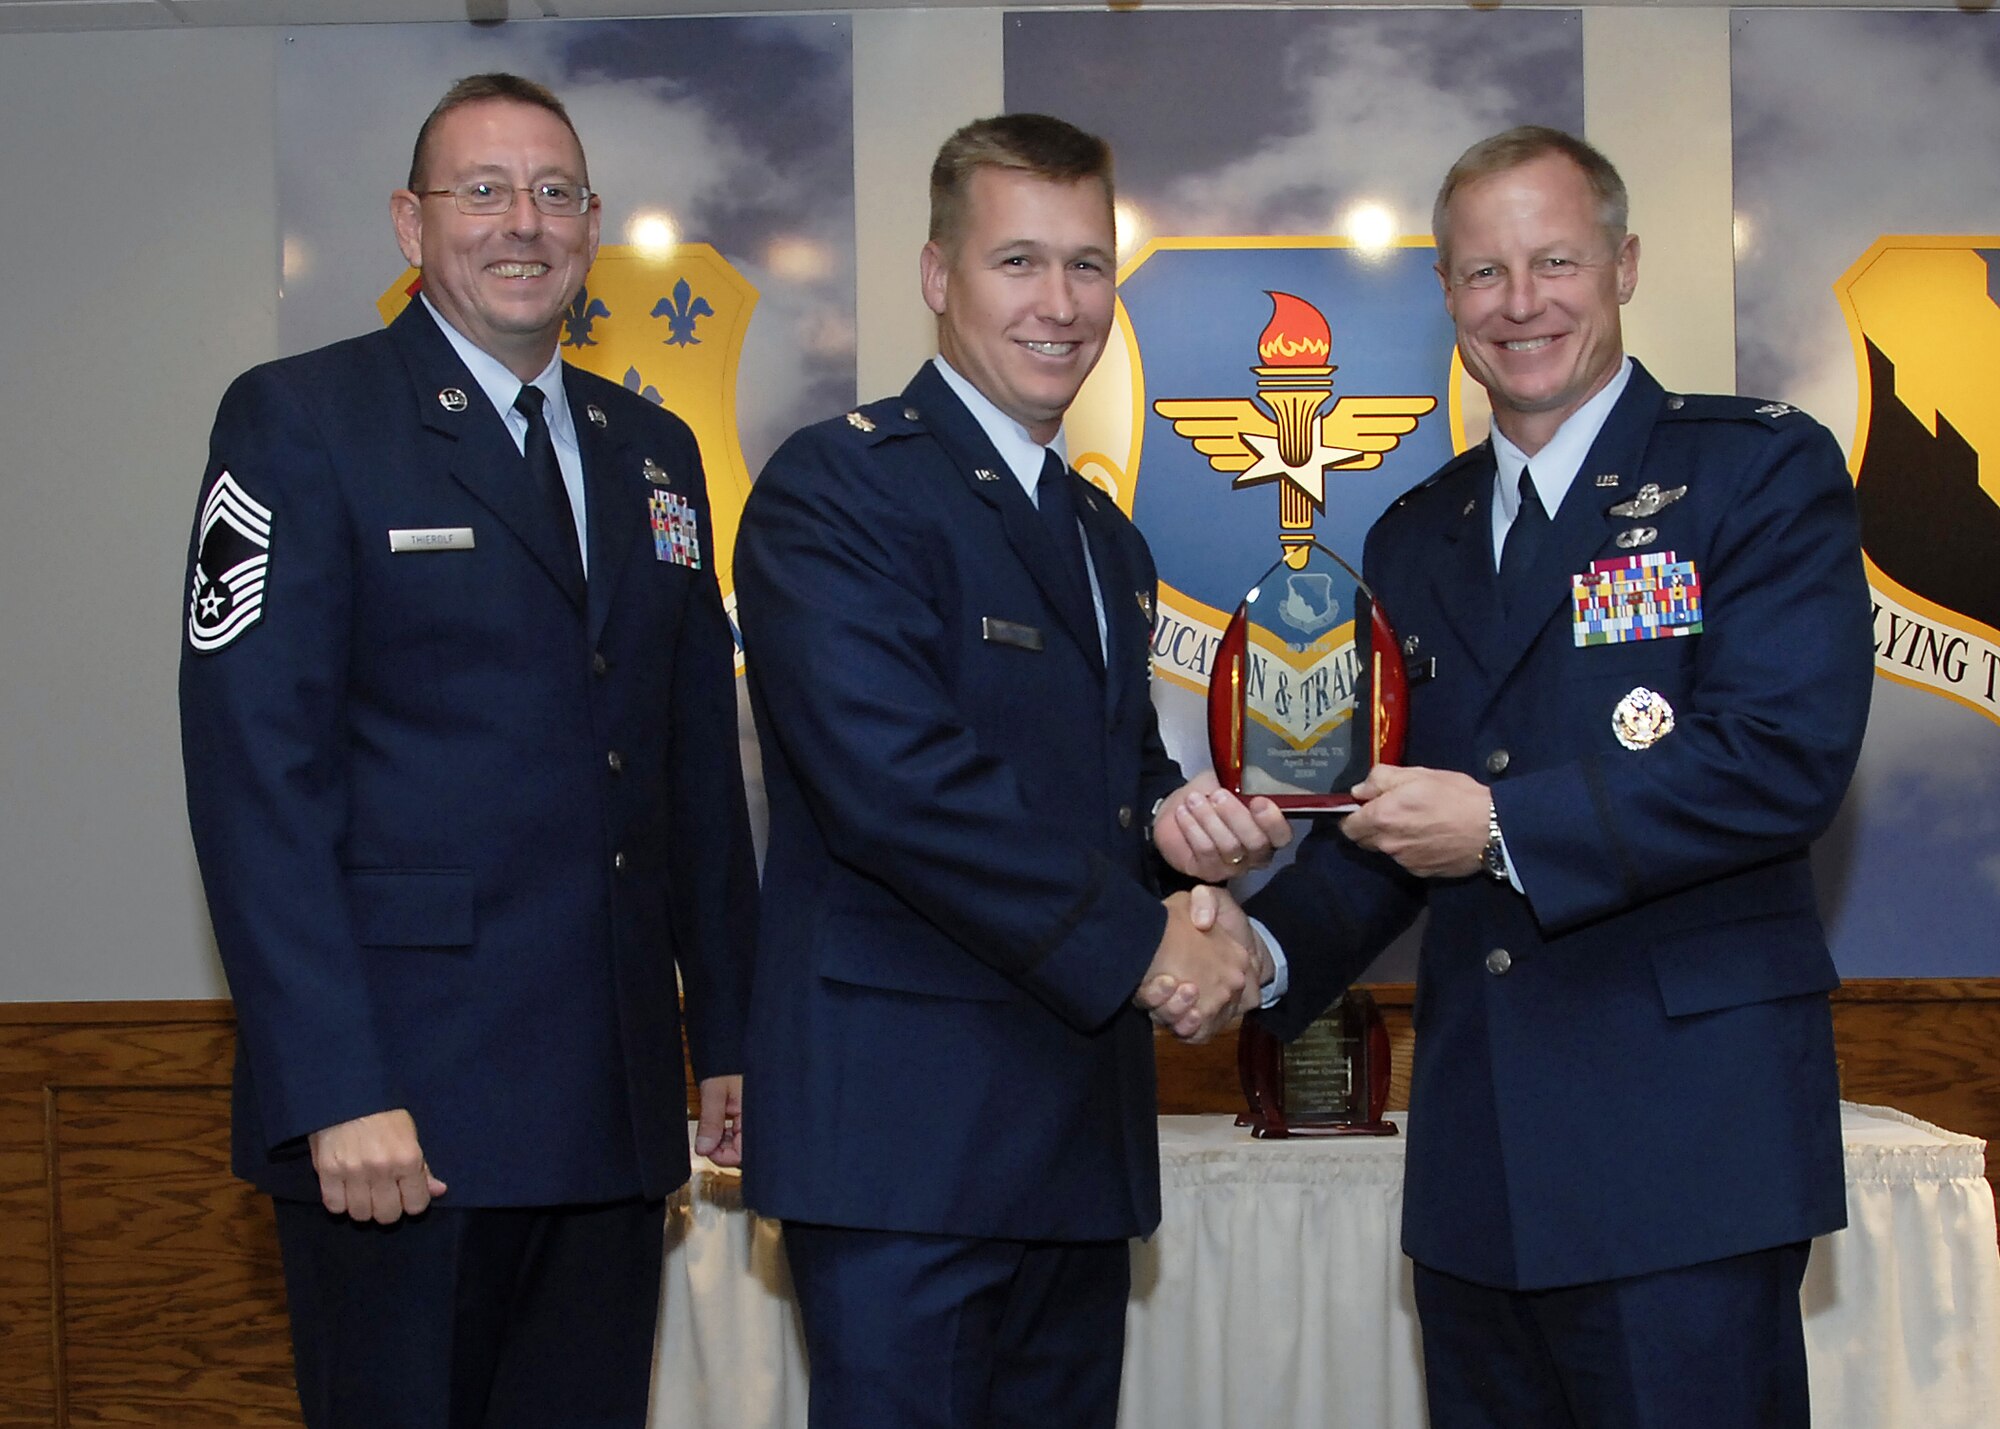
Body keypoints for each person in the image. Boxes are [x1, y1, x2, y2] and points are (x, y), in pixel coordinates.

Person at [1200, 125, 1873, 1427]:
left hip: (1688, 1155)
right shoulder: (1413, 535)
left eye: (1553, 260)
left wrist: (1504, 824)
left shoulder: (1755, 471)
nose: (1521, 303)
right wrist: (1253, 955)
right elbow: (1381, 821)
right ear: (1447, 295)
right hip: (1481, 1168)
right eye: (1483, 273)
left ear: (1622, 264)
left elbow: (1781, 758)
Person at [178, 73, 757, 1429]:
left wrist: (729, 1031)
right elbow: (259, 782)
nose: (524, 222)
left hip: (609, 1115)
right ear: (409, 221)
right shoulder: (300, 423)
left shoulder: (653, 453)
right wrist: (335, 1086)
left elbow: (692, 771)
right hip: (400, 1119)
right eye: (482, 190)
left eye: (556, 193)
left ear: (593, 227)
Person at [732, 113, 1287, 1429]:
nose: (1060, 303)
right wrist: (1148, 948)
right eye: (1018, 262)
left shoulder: (1104, 535)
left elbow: (1114, 777)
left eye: (1089, 266)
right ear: (939, 276)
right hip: (904, 1148)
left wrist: (1182, 823)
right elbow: (895, 784)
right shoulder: (840, 489)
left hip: (1071, 1136)